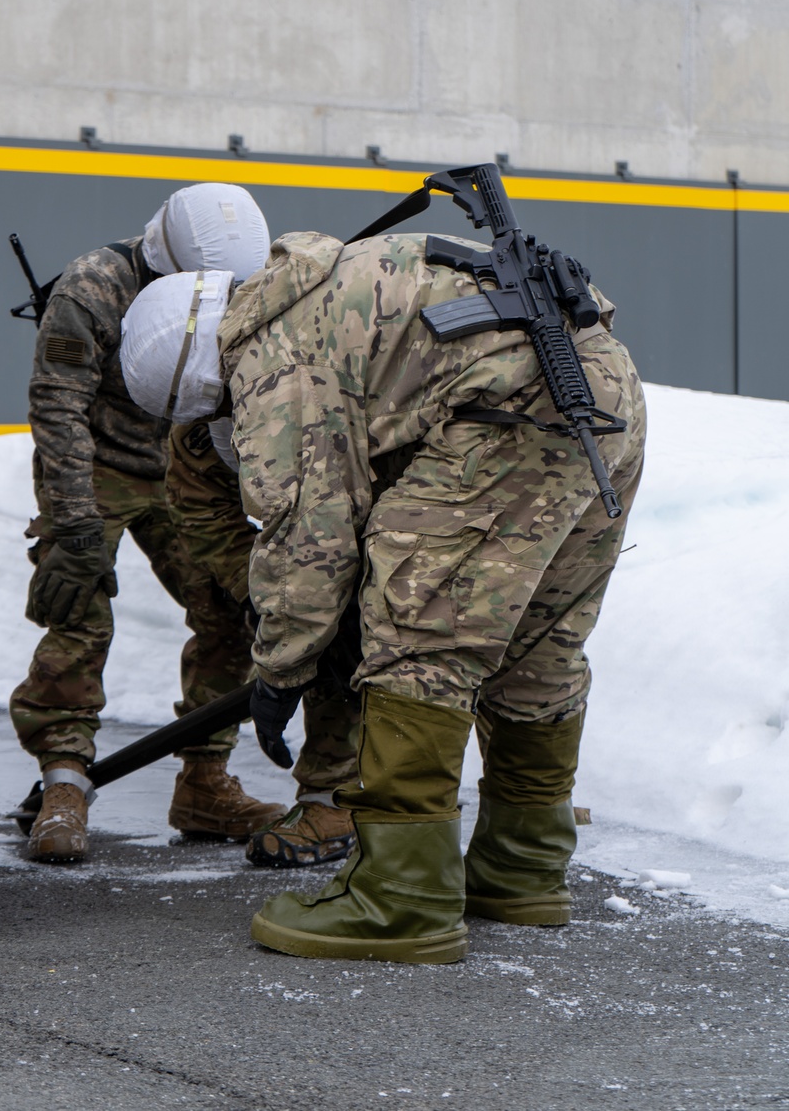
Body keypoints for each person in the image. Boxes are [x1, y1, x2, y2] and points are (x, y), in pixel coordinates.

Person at [119, 227, 646, 963]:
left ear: (198, 377)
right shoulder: (309, 285)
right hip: (604, 395)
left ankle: (403, 901)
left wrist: (279, 673)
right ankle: (520, 869)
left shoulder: (268, 363)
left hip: (508, 411)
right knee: (537, 643)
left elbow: (311, 542)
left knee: (416, 634)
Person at [14, 183, 286, 863]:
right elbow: (58, 408)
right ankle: (64, 783)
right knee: (78, 609)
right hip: (94, 462)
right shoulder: (93, 287)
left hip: (181, 464)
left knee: (230, 605)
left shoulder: (240, 284)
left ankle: (205, 781)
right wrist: (74, 528)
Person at [167, 419, 360, 868]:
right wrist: (260, 593)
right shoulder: (197, 425)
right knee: (319, 632)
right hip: (308, 522)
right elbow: (205, 512)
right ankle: (330, 800)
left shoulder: (332, 391)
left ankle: (432, 801)